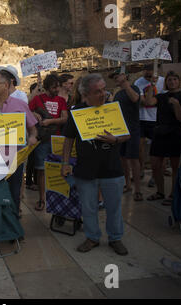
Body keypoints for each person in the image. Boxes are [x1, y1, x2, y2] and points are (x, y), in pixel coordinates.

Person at [62, 73, 130, 256]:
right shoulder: (76, 113)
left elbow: (126, 134)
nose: (103, 94)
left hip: (112, 168)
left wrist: (114, 139)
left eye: (104, 89)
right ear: (86, 94)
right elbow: (68, 139)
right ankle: (92, 237)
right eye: (97, 91)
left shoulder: (112, 109)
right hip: (86, 170)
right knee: (89, 206)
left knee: (114, 207)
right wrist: (65, 163)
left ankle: (115, 238)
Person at [0, 71, 38, 216]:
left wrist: (32, 137)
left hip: (15, 160)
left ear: (5, 85)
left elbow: (33, 130)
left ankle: (13, 227)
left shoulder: (20, 105)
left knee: (14, 194)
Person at [145, 71, 181, 206]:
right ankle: (160, 192)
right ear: (166, 82)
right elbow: (148, 101)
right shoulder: (162, 96)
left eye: (175, 79)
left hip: (175, 133)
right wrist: (151, 85)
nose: (172, 82)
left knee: (175, 166)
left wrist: (176, 105)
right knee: (155, 164)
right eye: (169, 80)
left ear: (178, 82)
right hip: (160, 132)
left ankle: (173, 194)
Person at [29, 74, 68, 211]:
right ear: (46, 87)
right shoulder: (37, 99)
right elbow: (27, 111)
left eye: (58, 86)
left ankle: (57, 197)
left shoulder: (61, 100)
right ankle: (42, 199)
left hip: (57, 139)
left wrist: (50, 121)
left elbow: (65, 118)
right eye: (53, 87)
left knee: (58, 170)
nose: (57, 89)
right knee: (41, 170)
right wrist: (34, 114)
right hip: (43, 140)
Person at [110, 71, 142, 201]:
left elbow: (135, 99)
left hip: (132, 130)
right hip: (120, 130)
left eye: (117, 77)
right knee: (123, 159)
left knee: (134, 159)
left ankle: (138, 190)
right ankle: (128, 184)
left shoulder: (134, 88)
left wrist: (125, 84)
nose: (115, 79)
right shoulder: (117, 94)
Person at [134, 65, 166, 187]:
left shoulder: (163, 81)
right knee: (140, 147)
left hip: (157, 119)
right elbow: (143, 102)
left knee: (157, 148)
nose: (148, 72)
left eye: (150, 70)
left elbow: (163, 100)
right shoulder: (138, 82)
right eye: (145, 70)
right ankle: (141, 169)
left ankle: (156, 174)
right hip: (142, 118)